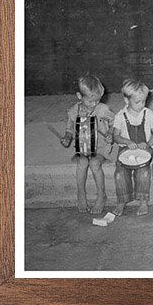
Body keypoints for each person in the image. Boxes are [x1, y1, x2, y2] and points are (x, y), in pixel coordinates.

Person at [59, 74, 114, 214]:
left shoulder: (102, 109)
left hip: (101, 147)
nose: (94, 104)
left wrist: (110, 134)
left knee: (95, 164)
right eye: (91, 101)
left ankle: (101, 196)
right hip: (82, 147)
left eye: (97, 100)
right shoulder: (73, 111)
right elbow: (69, 129)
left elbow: (115, 122)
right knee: (82, 163)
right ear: (79, 96)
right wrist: (67, 138)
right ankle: (81, 194)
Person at [111, 78, 153, 216]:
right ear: (127, 100)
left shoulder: (148, 114)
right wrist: (126, 141)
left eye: (144, 101)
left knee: (143, 172)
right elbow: (116, 136)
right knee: (120, 174)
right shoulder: (120, 116)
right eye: (137, 102)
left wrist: (149, 144)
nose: (141, 105)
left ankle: (143, 201)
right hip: (126, 150)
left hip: (144, 148)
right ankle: (121, 201)